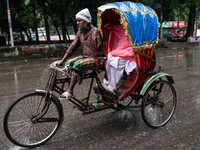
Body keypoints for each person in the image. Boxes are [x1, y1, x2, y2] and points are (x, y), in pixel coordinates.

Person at [57, 8, 105, 100]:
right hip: (85, 57)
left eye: (80, 21)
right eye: (77, 21)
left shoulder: (96, 31)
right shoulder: (80, 32)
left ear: (86, 21)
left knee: (77, 65)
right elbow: (73, 46)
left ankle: (70, 90)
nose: (77, 23)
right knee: (69, 63)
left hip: (97, 59)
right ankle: (69, 90)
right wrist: (62, 60)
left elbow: (102, 47)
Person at [103, 23, 136, 92]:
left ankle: (113, 86)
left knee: (114, 63)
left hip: (131, 52)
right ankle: (108, 81)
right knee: (108, 59)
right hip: (122, 50)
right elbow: (117, 28)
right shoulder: (123, 28)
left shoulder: (135, 30)